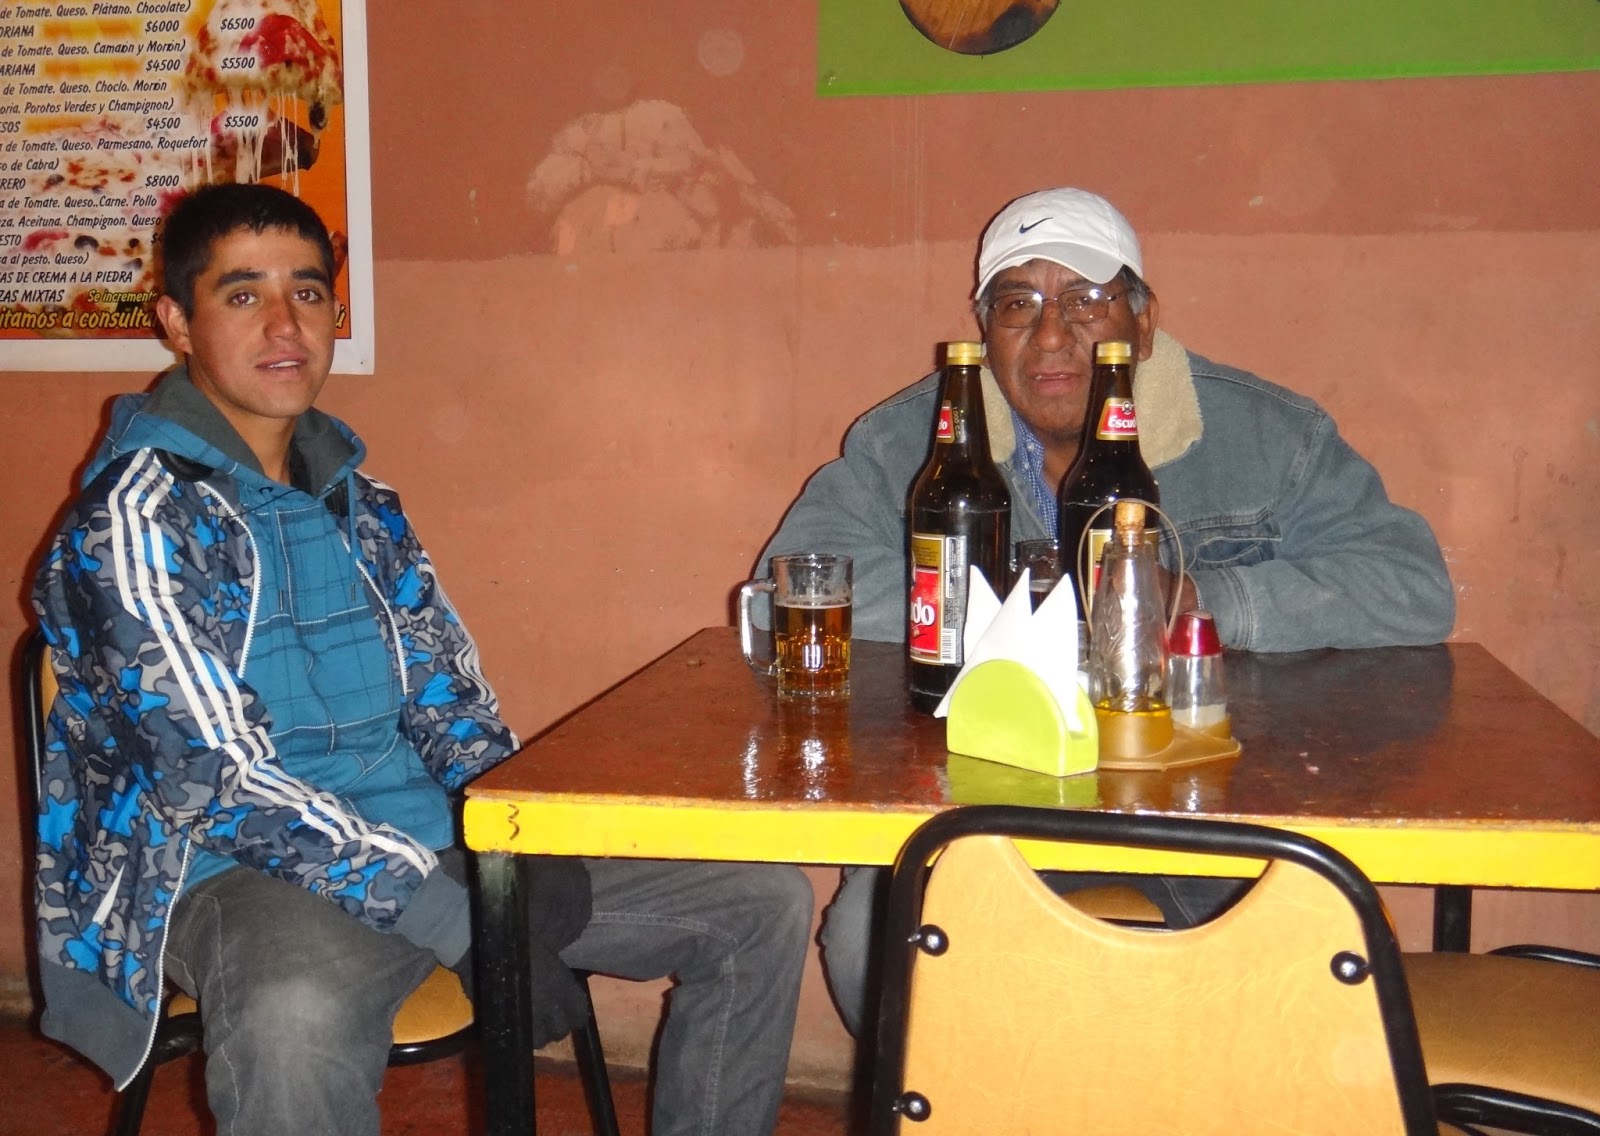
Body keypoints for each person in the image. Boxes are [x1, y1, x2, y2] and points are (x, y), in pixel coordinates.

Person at [31, 182, 812, 1136]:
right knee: (293, 1020)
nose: (284, 324)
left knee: (755, 900)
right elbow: (213, 780)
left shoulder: (363, 503)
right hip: (236, 870)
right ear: (177, 324)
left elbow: (449, 700)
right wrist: (452, 914)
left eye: (307, 292)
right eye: (242, 294)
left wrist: (521, 847)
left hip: (436, 844)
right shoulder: (132, 523)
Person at [757, 185, 1455, 1038]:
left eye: (1087, 300)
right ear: (985, 331)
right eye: (1018, 304)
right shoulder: (908, 440)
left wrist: (1202, 602)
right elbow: (794, 580)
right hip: (975, 799)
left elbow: (1411, 583)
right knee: (873, 943)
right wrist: (1023, 614)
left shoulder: (1270, 437)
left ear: (1144, 323)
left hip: (1207, 805)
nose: (1052, 335)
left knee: (1300, 965)